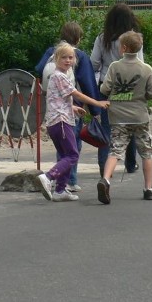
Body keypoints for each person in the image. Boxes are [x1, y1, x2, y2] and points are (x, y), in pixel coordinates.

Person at [36, 42, 110, 202]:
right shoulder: (60, 76)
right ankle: (48, 177)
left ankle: (60, 191)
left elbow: (58, 98)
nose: (68, 60)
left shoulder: (57, 77)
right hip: (61, 122)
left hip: (55, 121)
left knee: (65, 155)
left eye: (71, 57)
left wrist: (74, 109)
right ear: (56, 59)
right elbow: (77, 95)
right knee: (72, 154)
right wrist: (98, 103)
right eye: (63, 57)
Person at [96, 31, 152, 204]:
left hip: (117, 115)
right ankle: (148, 188)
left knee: (115, 150)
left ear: (124, 48)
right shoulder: (146, 69)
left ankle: (106, 179)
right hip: (139, 116)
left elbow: (104, 89)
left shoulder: (114, 67)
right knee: (146, 152)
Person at [90, 3, 141, 174]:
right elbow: (140, 63)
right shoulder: (133, 39)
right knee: (130, 124)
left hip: (106, 86)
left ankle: (105, 167)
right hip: (129, 86)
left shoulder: (102, 38)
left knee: (106, 128)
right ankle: (131, 163)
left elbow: (94, 63)